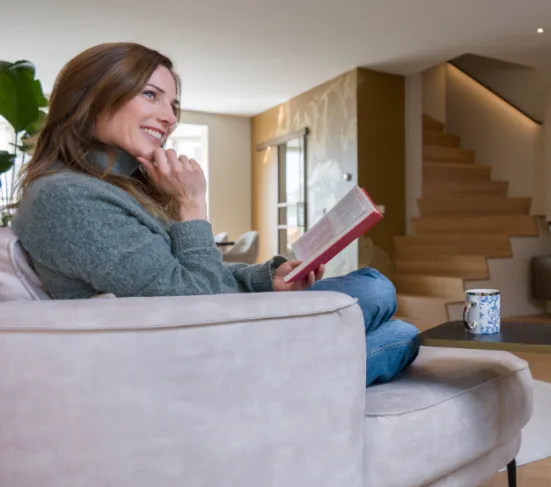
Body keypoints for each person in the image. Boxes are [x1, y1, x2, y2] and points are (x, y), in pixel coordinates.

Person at [9, 42, 419, 386]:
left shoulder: (118, 186)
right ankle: (281, 380)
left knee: (391, 317)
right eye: (150, 95)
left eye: (173, 103)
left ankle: (303, 372)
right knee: (375, 293)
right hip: (199, 358)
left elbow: (191, 280)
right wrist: (192, 204)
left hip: (213, 333)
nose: (170, 118)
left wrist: (267, 280)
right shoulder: (66, 198)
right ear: (90, 97)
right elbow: (195, 308)